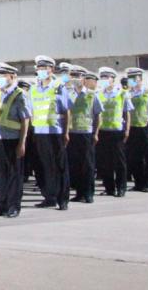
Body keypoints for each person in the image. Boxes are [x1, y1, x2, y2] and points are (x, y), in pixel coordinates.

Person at [30, 55, 71, 210]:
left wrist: (66, 132)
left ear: (51, 69)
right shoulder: (34, 89)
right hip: (39, 132)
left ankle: (62, 199)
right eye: (39, 68)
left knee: (58, 166)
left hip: (55, 132)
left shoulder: (58, 87)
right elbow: (32, 111)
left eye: (44, 68)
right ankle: (49, 196)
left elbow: (66, 111)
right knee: (42, 166)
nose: (41, 71)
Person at [0, 62, 30, 218]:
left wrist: (22, 142)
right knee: (0, 174)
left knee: (14, 174)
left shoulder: (20, 95)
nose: (0, 78)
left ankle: (13, 206)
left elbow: (25, 120)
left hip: (13, 139)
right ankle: (1, 205)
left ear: (12, 76)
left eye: (3, 75)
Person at [66, 68, 102, 203]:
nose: (75, 79)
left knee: (87, 165)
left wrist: (96, 133)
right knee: (75, 165)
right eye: (73, 76)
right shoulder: (69, 94)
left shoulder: (92, 95)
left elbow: (98, 115)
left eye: (78, 76)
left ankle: (88, 193)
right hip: (72, 132)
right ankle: (79, 193)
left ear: (83, 79)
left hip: (86, 133)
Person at [95, 67, 131, 197]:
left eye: (107, 77)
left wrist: (127, 129)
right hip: (103, 130)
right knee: (105, 162)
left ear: (113, 79)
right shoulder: (98, 93)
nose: (104, 80)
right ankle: (109, 188)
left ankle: (121, 187)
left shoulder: (122, 93)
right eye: (103, 78)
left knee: (119, 161)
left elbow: (127, 112)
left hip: (117, 131)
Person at [124, 67, 148, 192]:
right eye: (130, 78)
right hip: (132, 128)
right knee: (134, 157)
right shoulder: (127, 93)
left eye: (135, 78)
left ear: (140, 79)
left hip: (145, 127)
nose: (132, 81)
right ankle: (138, 183)